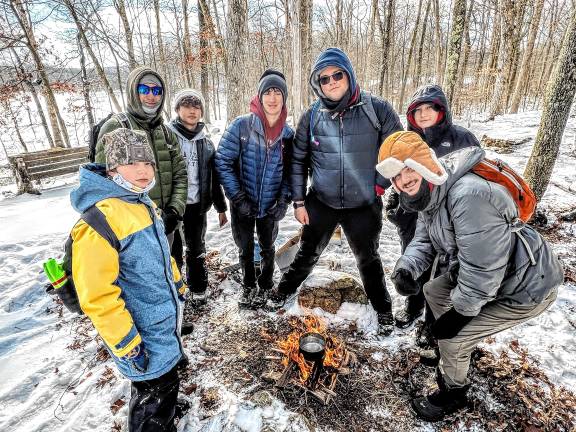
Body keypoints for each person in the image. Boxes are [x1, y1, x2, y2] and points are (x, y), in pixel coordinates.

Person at [377, 131, 563, 421]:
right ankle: (457, 353)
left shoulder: (469, 196)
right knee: (434, 291)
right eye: (396, 177)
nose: (403, 180)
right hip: (492, 277)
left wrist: (459, 318)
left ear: (425, 163)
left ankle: (454, 393)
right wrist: (406, 268)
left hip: (527, 286)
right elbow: (424, 241)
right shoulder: (431, 192)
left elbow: (482, 270)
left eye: (408, 168)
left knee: (454, 337)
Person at [267, 47, 403, 335]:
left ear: (348, 75)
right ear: (318, 84)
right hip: (322, 201)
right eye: (324, 78)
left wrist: (377, 185)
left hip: (364, 204)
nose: (332, 82)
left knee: (368, 259)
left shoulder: (376, 109)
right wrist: (299, 201)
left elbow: (398, 151)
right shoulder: (312, 116)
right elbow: (298, 160)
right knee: (307, 253)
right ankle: (283, 291)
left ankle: (384, 310)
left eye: (337, 75)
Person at [71, 129, 190, 431]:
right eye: (132, 163)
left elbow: (163, 254)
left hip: (161, 320)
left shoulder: (141, 204)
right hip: (138, 332)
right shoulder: (100, 220)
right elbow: (97, 295)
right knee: (153, 388)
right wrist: (126, 343)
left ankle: (168, 408)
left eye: (148, 163)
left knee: (166, 377)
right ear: (112, 169)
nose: (143, 170)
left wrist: (178, 283)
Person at [386, 84, 480, 338]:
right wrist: (397, 201)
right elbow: (400, 176)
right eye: (418, 110)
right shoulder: (408, 141)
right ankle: (412, 306)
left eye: (430, 108)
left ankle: (432, 321)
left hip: (450, 218)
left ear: (442, 110)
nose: (424, 114)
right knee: (413, 259)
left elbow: (474, 179)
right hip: (415, 217)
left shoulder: (461, 138)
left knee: (442, 269)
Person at [215, 69, 294, 309]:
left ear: (284, 98)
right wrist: (237, 197)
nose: (272, 97)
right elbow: (222, 161)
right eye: (267, 92)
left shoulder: (288, 135)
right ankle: (249, 285)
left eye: (277, 92)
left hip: (271, 204)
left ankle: (267, 284)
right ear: (259, 97)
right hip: (243, 203)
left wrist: (283, 201)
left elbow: (293, 172)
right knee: (246, 247)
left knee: (269, 247)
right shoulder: (242, 126)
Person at [95, 66, 188, 246]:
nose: (151, 96)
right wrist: (144, 216)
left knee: (171, 270)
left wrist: (174, 210)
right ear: (133, 91)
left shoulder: (166, 132)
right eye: (144, 89)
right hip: (132, 230)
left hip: (167, 225)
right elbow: (102, 183)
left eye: (157, 91)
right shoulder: (117, 127)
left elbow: (180, 174)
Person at [168, 89, 228, 305]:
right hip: (171, 206)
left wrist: (221, 207)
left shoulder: (206, 143)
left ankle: (198, 287)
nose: (192, 111)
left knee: (196, 248)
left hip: (196, 205)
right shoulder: (167, 136)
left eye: (197, 106)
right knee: (172, 251)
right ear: (177, 109)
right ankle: (174, 289)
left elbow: (214, 178)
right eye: (187, 105)